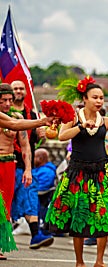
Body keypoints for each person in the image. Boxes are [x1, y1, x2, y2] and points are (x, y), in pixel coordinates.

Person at [45, 76, 108, 267]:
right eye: (95, 97)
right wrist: (81, 127)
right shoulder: (73, 118)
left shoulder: (107, 121)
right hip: (77, 174)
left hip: (101, 173)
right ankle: (79, 262)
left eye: (101, 98)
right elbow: (62, 136)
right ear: (85, 99)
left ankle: (99, 261)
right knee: (78, 217)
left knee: (103, 216)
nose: (99, 101)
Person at [10, 80, 54, 249]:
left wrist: (40, 132)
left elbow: (31, 141)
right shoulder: (4, 112)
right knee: (7, 203)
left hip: (25, 164)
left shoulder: (32, 114)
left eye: (21, 88)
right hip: (7, 162)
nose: (19, 91)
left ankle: (36, 234)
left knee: (30, 197)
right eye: (16, 88)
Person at [32, 148, 57, 233]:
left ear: (40, 158)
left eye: (34, 157)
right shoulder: (37, 169)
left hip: (42, 199)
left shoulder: (47, 171)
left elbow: (42, 188)